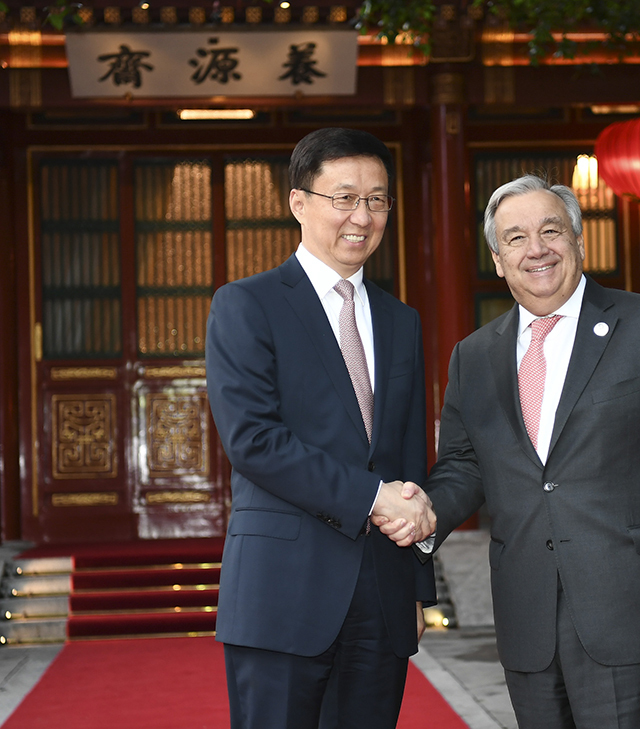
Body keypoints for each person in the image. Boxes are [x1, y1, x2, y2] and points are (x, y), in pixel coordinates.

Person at [379, 174, 640, 728]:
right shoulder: (474, 356)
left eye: (551, 231)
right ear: (498, 261)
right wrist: (419, 516)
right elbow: (464, 468)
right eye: (516, 238)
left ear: (578, 241)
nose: (536, 249)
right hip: (528, 614)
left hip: (635, 608)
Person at [206, 127, 436, 729]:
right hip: (282, 592)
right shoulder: (246, 304)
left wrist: (416, 588)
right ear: (299, 202)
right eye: (345, 198)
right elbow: (254, 441)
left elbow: (409, 458)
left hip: (382, 595)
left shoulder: (401, 320)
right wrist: (373, 497)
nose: (363, 216)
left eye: (377, 200)